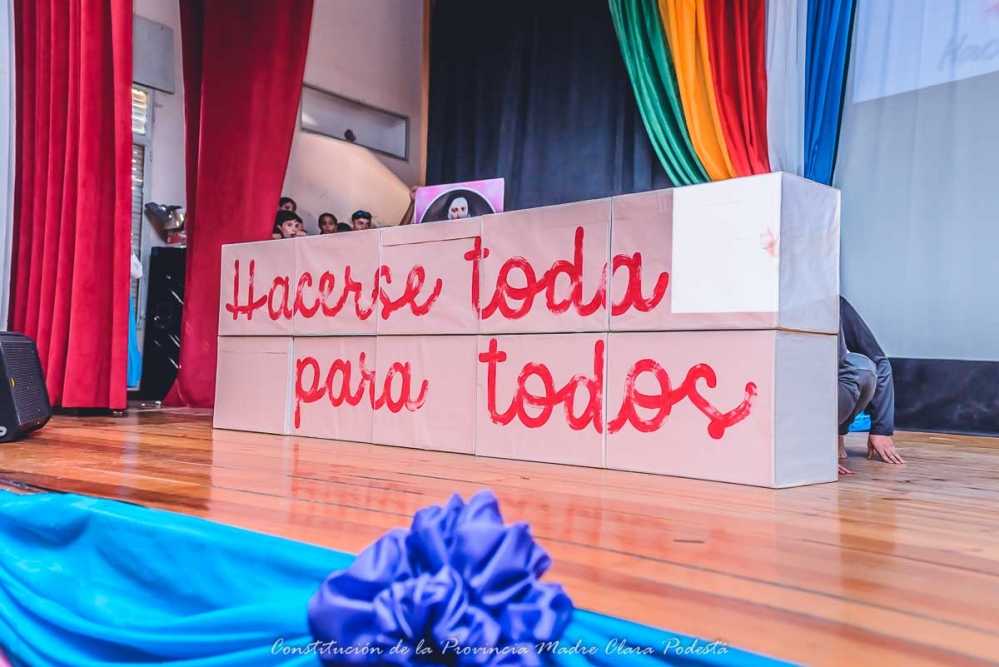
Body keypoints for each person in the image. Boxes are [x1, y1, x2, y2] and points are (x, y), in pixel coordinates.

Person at [837, 296, 904, 475]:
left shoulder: (833, 304)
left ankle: (835, 434)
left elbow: (879, 362)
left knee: (863, 368)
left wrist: (881, 429)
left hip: (824, 394)